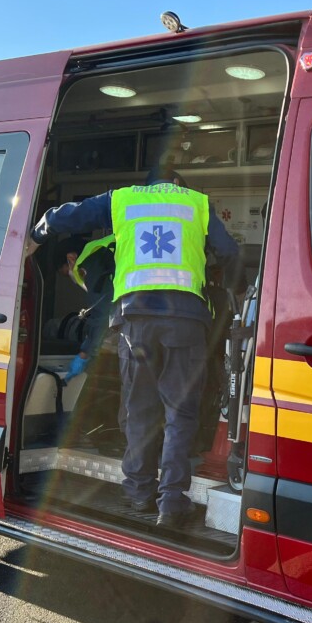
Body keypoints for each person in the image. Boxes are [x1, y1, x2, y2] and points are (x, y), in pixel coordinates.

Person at [27, 168, 240, 530]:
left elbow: (71, 214)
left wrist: (36, 233)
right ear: (178, 187)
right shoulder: (197, 204)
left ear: (150, 185)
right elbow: (230, 252)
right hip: (185, 323)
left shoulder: (123, 198)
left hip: (135, 322)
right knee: (180, 415)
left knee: (139, 409)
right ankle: (171, 504)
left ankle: (139, 493)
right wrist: (234, 293)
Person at [52, 235, 115, 382]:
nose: (73, 277)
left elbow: (102, 311)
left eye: (67, 273)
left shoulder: (93, 260)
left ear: (71, 259)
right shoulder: (104, 250)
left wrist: (84, 354)